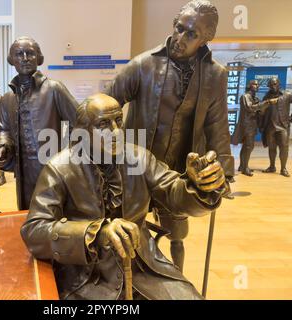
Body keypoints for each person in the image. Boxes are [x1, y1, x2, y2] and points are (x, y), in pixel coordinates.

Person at [21, 93, 228, 300]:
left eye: (118, 121)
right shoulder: (60, 169)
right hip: (86, 275)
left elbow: (173, 191)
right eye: (103, 124)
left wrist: (199, 187)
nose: (116, 131)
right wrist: (94, 233)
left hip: (144, 266)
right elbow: (34, 231)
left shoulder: (139, 158)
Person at [105, 0, 234, 271]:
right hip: (136, 169)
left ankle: (176, 281)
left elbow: (217, 128)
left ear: (206, 38)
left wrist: (223, 174)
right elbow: (106, 105)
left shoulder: (215, 75)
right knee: (133, 234)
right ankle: (132, 282)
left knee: (177, 237)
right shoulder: (143, 65)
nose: (180, 38)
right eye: (179, 28)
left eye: (191, 34)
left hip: (178, 172)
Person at [0, 36, 78, 210]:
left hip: (52, 164)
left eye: (30, 53)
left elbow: (79, 121)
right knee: (27, 211)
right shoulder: (8, 98)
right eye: (19, 54)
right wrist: (3, 144)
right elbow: (3, 128)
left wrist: (68, 154)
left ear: (39, 58)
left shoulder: (54, 89)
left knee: (53, 209)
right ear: (11, 60)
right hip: (22, 168)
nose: (25, 58)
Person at [232, 80, 272, 176]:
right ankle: (245, 168)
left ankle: (242, 165)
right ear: (249, 86)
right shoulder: (245, 96)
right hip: (246, 125)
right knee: (249, 146)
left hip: (253, 125)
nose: (256, 85)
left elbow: (258, 111)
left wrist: (263, 110)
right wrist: (264, 104)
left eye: (257, 84)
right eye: (254, 84)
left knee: (247, 146)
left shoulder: (256, 98)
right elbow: (250, 108)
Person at [260, 77, 292, 177]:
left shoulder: (287, 95)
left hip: (283, 126)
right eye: (271, 85)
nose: (273, 86)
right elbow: (262, 112)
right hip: (270, 127)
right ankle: (272, 166)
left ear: (279, 84)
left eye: (275, 84)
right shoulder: (266, 97)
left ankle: (283, 168)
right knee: (272, 148)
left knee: (284, 148)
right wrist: (262, 126)